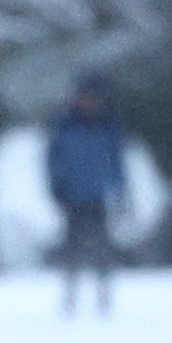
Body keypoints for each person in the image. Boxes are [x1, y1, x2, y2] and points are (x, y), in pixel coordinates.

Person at [43, 77, 128, 315]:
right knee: (72, 246)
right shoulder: (64, 125)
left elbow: (117, 160)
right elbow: (54, 159)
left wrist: (119, 188)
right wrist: (56, 185)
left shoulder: (108, 126)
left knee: (102, 245)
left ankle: (103, 296)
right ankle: (70, 295)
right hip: (72, 195)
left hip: (97, 195)